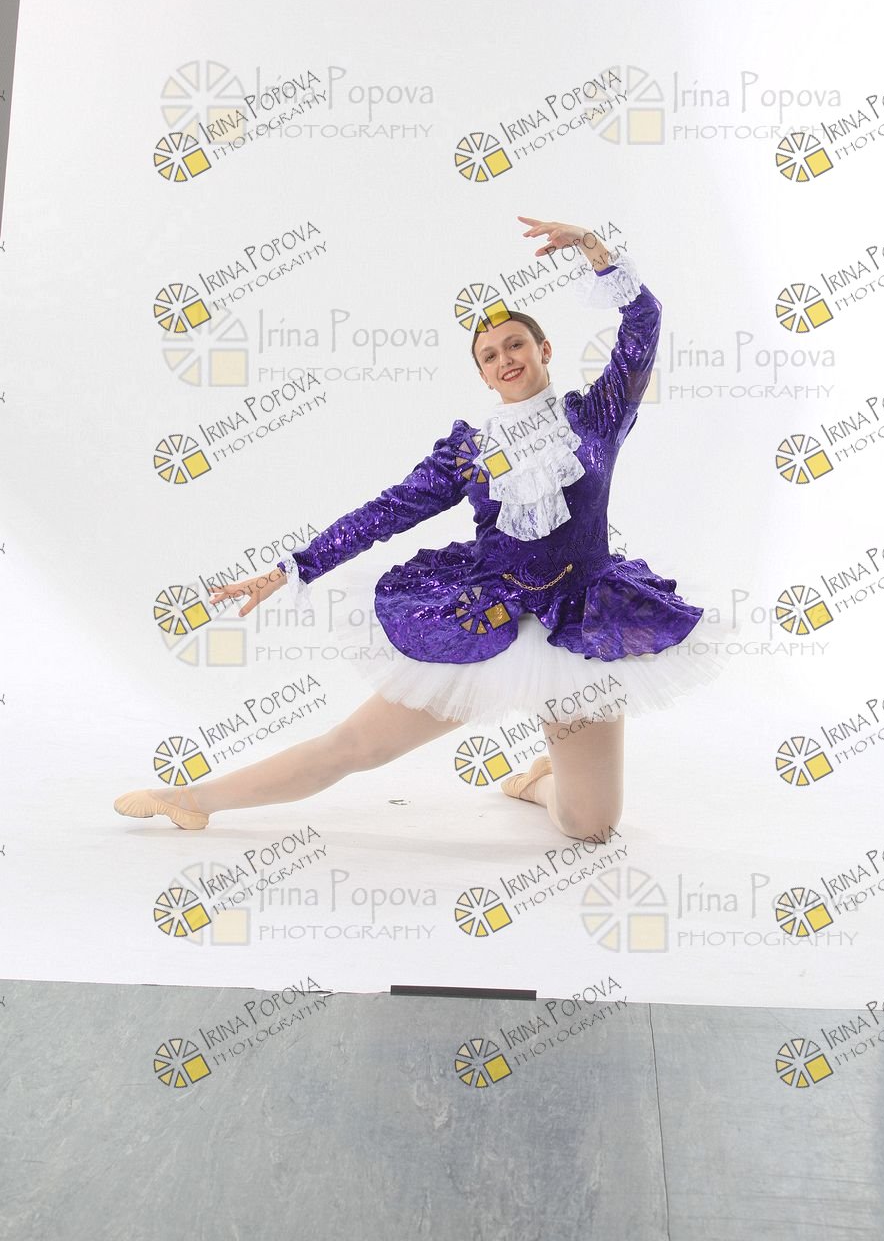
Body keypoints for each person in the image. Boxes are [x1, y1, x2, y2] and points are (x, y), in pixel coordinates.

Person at [114, 215, 720, 841]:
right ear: (482, 375)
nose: (505, 359)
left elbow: (643, 325)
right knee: (355, 745)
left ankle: (537, 783)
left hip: (584, 624)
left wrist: (595, 250)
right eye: (489, 355)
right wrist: (292, 568)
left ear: (544, 352)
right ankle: (189, 797)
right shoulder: (469, 452)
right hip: (484, 618)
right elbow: (385, 512)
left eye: (515, 344)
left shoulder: (597, 417)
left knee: (591, 826)